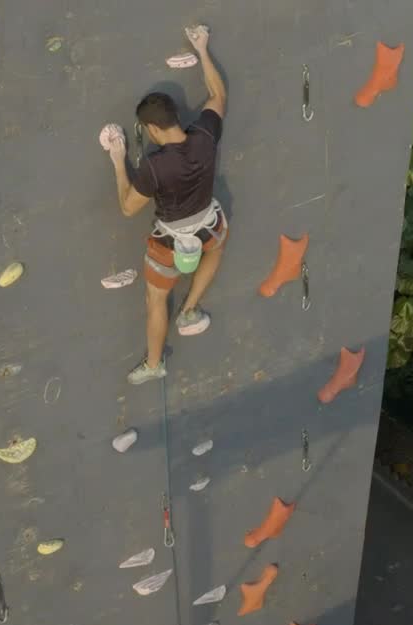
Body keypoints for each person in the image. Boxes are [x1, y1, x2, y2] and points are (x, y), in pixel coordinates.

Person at [106, 25, 227, 385]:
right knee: (218, 244)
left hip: (169, 243)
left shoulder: (155, 167)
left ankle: (155, 362)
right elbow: (217, 94)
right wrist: (202, 49)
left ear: (152, 130)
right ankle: (189, 310)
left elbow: (128, 207)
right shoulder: (205, 136)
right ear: (175, 118)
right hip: (208, 224)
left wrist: (118, 160)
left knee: (155, 301)